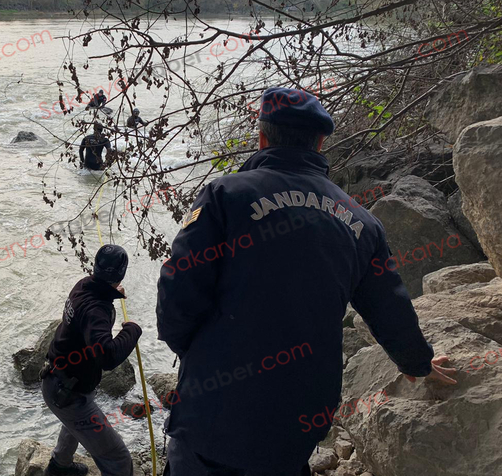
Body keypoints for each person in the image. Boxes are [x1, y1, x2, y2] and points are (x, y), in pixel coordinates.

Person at [155, 87, 458, 476]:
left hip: (215, 409)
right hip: (300, 416)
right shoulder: (362, 223)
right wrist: (420, 362)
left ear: (262, 136)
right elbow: (390, 307)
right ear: (320, 142)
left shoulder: (224, 195)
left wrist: (193, 351)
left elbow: (177, 290)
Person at [41, 244, 143, 476]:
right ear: (121, 274)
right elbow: (107, 356)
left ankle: (60, 467)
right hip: (68, 393)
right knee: (118, 458)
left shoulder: (84, 286)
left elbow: (91, 313)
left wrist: (113, 292)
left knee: (73, 425)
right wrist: (132, 331)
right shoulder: (97, 308)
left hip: (59, 381)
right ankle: (58, 468)